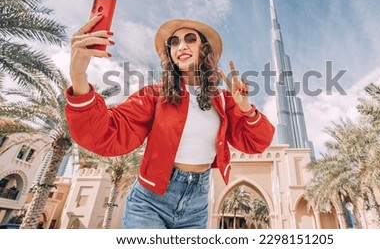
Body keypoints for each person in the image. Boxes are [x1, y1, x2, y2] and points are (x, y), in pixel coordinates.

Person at [65, 15, 275, 229]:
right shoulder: (154, 95)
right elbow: (107, 133)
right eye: (174, 42)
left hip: (197, 206)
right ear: (170, 54)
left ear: (205, 49)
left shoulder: (223, 100)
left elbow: (256, 143)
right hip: (149, 204)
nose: (181, 46)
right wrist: (79, 76)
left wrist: (246, 109)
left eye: (190, 39)